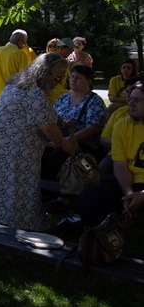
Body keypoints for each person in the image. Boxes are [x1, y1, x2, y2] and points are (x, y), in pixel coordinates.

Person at [0, 54, 76, 230]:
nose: (60, 82)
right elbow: (47, 126)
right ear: (44, 73)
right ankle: (18, 225)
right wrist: (66, 145)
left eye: (63, 78)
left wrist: (62, 122)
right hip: (9, 145)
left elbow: (42, 112)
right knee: (17, 183)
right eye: (57, 77)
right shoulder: (34, 92)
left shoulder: (18, 85)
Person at [76, 81, 144, 227]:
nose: (130, 103)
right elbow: (120, 165)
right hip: (129, 181)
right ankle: (102, 238)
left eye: (137, 100)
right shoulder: (123, 124)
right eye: (130, 98)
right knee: (88, 199)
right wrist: (129, 193)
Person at [42, 64, 107, 212]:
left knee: (56, 157)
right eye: (72, 76)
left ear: (88, 82)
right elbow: (52, 119)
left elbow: (93, 129)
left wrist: (65, 142)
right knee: (39, 152)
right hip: (59, 139)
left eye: (79, 78)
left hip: (84, 145)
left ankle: (64, 197)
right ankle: (46, 192)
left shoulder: (94, 101)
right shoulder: (63, 98)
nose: (73, 79)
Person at [0, 29, 29, 108]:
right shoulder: (20, 54)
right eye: (24, 43)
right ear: (19, 41)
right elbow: (23, 78)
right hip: (9, 95)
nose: (24, 45)